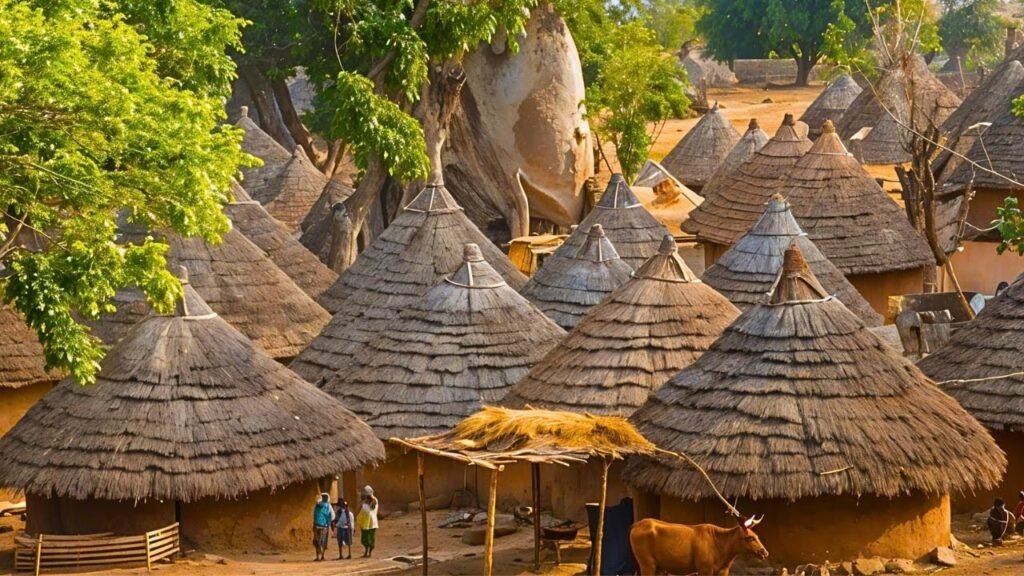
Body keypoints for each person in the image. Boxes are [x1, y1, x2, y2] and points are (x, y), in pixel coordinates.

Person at [356, 485, 380, 558]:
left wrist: (364, 503)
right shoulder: (365, 501)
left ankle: (369, 553)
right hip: (365, 522)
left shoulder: (374, 500)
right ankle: (366, 552)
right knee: (364, 538)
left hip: (372, 522)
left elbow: (370, 510)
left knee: (370, 538)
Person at [313, 493, 335, 561]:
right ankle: (322, 556)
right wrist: (328, 521)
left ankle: (317, 556)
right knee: (323, 541)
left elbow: (313, 514)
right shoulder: (328, 506)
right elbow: (332, 516)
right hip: (324, 526)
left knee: (317, 540)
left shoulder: (317, 505)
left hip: (316, 525)